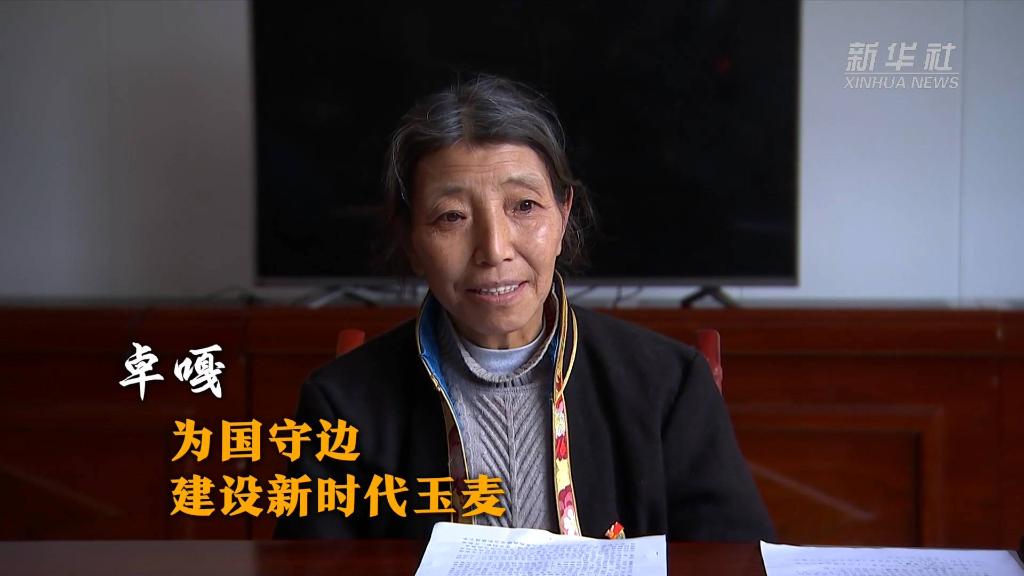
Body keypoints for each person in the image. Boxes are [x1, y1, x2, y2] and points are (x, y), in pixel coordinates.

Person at [274, 75, 774, 541]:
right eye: (452, 216)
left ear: (563, 215)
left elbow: (735, 561)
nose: (494, 249)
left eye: (524, 206)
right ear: (411, 240)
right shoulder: (340, 405)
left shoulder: (668, 385)